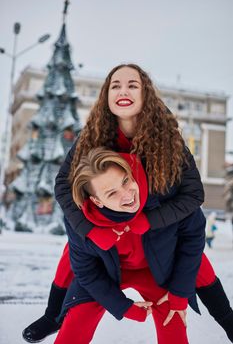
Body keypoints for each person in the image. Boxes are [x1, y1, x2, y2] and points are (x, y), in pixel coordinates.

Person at [22, 64, 233, 343]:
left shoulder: (168, 140)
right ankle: (52, 316)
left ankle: (228, 319)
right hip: (110, 240)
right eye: (116, 85)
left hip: (159, 231)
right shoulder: (93, 137)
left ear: (146, 94)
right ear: (106, 96)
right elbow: (64, 185)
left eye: (132, 85)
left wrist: (149, 220)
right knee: (76, 247)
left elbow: (194, 195)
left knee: (192, 252)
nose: (123, 90)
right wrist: (91, 229)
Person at [55, 147, 206, 344]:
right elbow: (85, 271)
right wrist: (122, 307)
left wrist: (179, 292)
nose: (127, 195)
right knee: (74, 327)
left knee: (174, 320)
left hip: (156, 271)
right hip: (105, 274)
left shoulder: (163, 195)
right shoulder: (80, 222)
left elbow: (192, 241)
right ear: (96, 201)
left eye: (125, 181)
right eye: (112, 193)